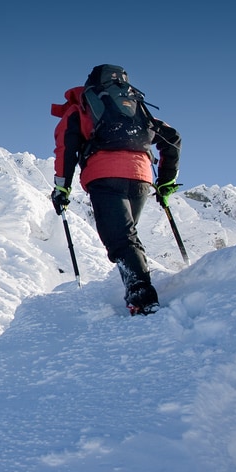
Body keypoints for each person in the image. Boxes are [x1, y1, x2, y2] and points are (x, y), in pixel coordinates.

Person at [50, 64, 181, 315]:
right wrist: (165, 181)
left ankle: (142, 298)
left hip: (105, 177)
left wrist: (61, 189)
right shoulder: (136, 110)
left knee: (121, 239)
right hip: (141, 178)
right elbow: (172, 139)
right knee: (126, 237)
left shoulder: (82, 109)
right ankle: (138, 289)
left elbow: (65, 150)